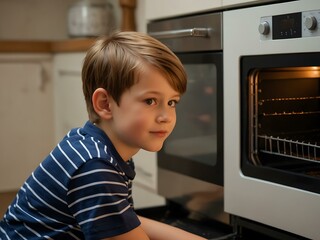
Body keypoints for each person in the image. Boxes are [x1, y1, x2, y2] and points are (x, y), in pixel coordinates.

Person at [0, 31, 206, 240]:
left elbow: (123, 218)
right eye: (150, 101)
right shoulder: (94, 167)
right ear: (105, 104)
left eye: (172, 102)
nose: (166, 117)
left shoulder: (95, 146)